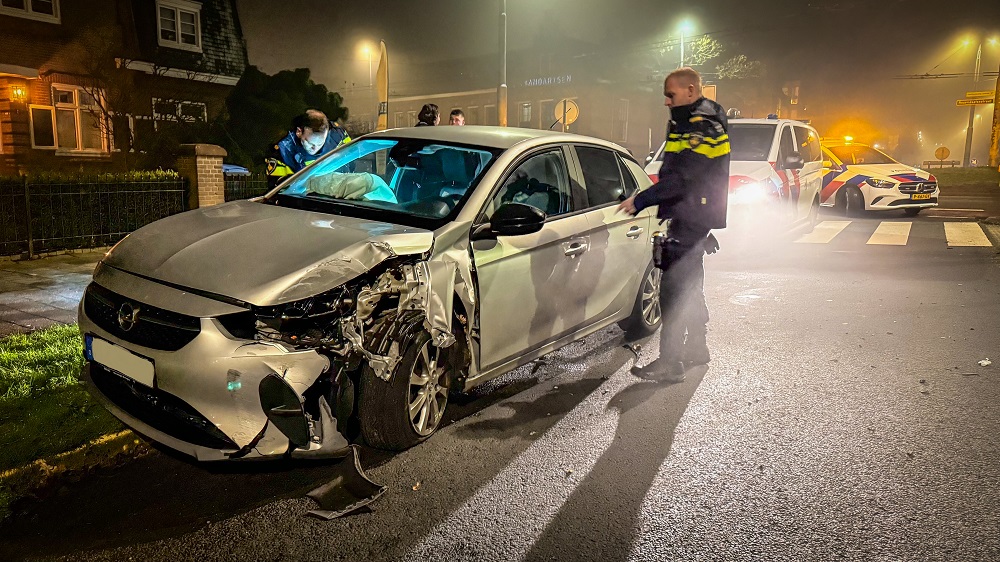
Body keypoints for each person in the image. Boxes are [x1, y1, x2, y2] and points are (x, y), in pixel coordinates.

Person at [617, 67, 730, 383]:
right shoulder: (692, 118)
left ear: (691, 90)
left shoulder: (701, 125)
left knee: (672, 290)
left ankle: (671, 362)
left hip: (692, 215)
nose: (666, 101)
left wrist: (640, 200)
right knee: (690, 284)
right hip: (695, 216)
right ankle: (697, 347)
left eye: (671, 94)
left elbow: (684, 178)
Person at [265, 109, 351, 188]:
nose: (315, 148)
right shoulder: (284, 151)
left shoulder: (339, 136)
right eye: (310, 143)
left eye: (320, 143)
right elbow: (278, 188)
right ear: (299, 132)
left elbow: (351, 162)